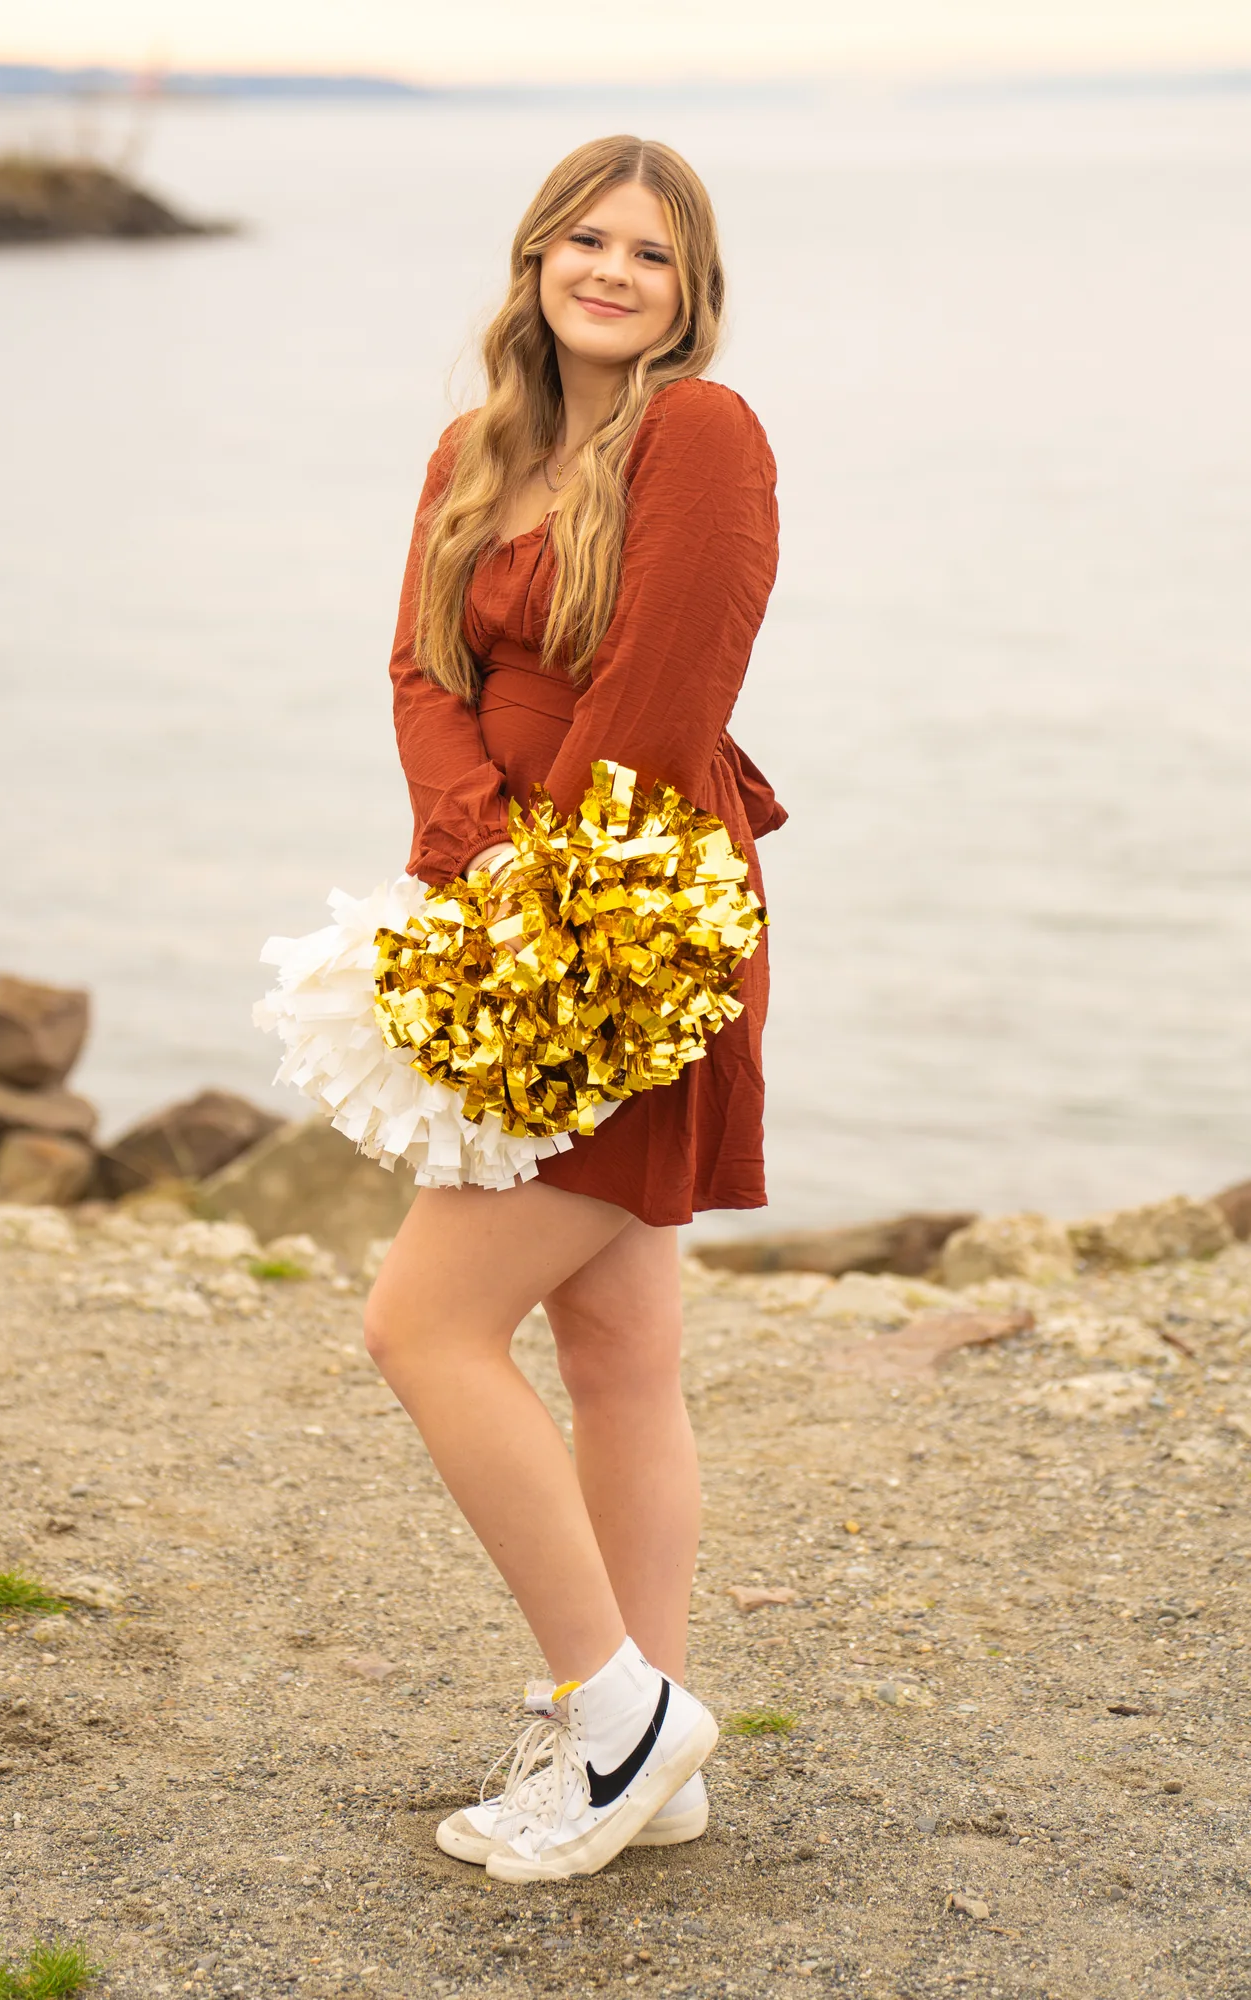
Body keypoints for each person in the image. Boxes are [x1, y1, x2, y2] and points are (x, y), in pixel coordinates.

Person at [363, 133, 784, 1883]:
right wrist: (472, 858)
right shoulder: (477, 450)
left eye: (654, 256)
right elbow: (421, 670)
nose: (614, 271)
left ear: (690, 295)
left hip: (627, 922)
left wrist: (549, 918)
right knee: (616, 1351)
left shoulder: (701, 434)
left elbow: (673, 687)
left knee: (420, 1324)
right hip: (512, 902)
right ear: (537, 257)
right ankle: (654, 1754)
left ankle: (612, 1712)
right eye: (588, 240)